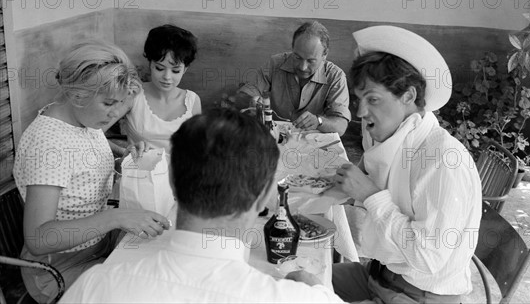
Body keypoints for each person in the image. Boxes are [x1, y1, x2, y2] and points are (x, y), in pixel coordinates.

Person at [59, 109, 345, 303]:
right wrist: (314, 287)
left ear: (171, 181)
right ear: (263, 197)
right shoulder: (302, 299)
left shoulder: (95, 286)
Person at [332, 26, 482, 304]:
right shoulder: (399, 140)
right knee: (296, 277)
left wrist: (370, 195)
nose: (361, 113)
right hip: (380, 277)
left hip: (417, 295)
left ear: (409, 96)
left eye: (373, 100)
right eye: (359, 100)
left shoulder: (443, 159)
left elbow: (428, 257)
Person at [12, 41, 171, 303]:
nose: (117, 113)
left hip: (97, 245)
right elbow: (38, 238)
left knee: (163, 259)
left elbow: (84, 152)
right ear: (76, 95)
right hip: (58, 269)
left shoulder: (80, 120)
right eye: (109, 103)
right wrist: (116, 218)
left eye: (122, 105)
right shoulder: (49, 145)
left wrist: (125, 154)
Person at [238, 21, 350, 135]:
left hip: (314, 141)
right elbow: (244, 95)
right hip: (276, 136)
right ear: (293, 48)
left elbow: (341, 126)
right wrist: (252, 101)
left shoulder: (336, 76)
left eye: (311, 61)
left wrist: (319, 122)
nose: (303, 67)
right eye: (297, 57)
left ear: (324, 54)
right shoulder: (275, 64)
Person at [116, 24, 201, 155]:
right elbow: (94, 131)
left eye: (176, 70)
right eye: (159, 68)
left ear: (185, 70)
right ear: (150, 64)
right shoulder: (134, 94)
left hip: (180, 174)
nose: (167, 77)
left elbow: (198, 147)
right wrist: (123, 152)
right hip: (140, 173)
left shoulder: (192, 101)